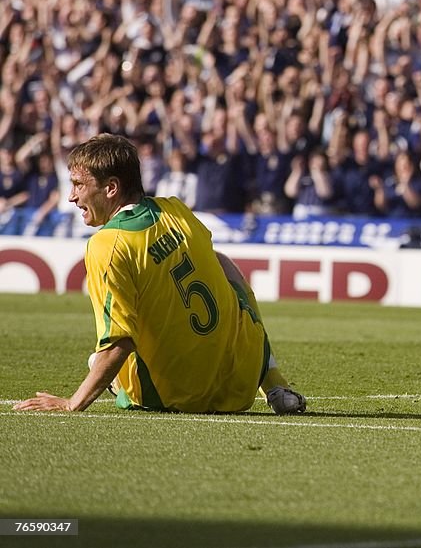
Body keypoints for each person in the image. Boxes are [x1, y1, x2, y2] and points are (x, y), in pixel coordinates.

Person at [13, 134, 306, 415]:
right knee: (223, 263)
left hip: (177, 396)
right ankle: (275, 385)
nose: (71, 197)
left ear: (111, 188)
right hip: (240, 383)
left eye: (78, 185)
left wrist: (71, 403)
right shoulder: (176, 209)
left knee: (98, 358)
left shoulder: (107, 245)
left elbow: (119, 343)